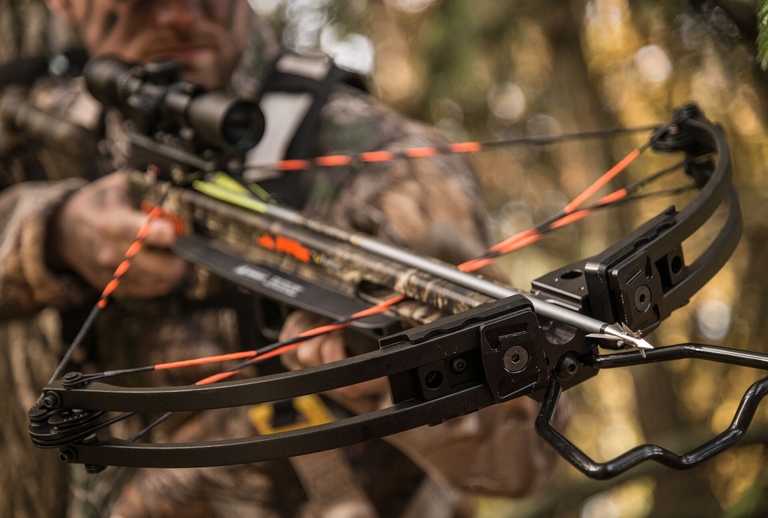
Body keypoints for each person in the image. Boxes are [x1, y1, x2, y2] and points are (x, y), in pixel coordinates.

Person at [0, 1, 564, 517]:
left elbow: (525, 453)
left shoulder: (388, 164)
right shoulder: (46, 128)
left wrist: (389, 379)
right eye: (141, 2)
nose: (178, 16)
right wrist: (53, 234)